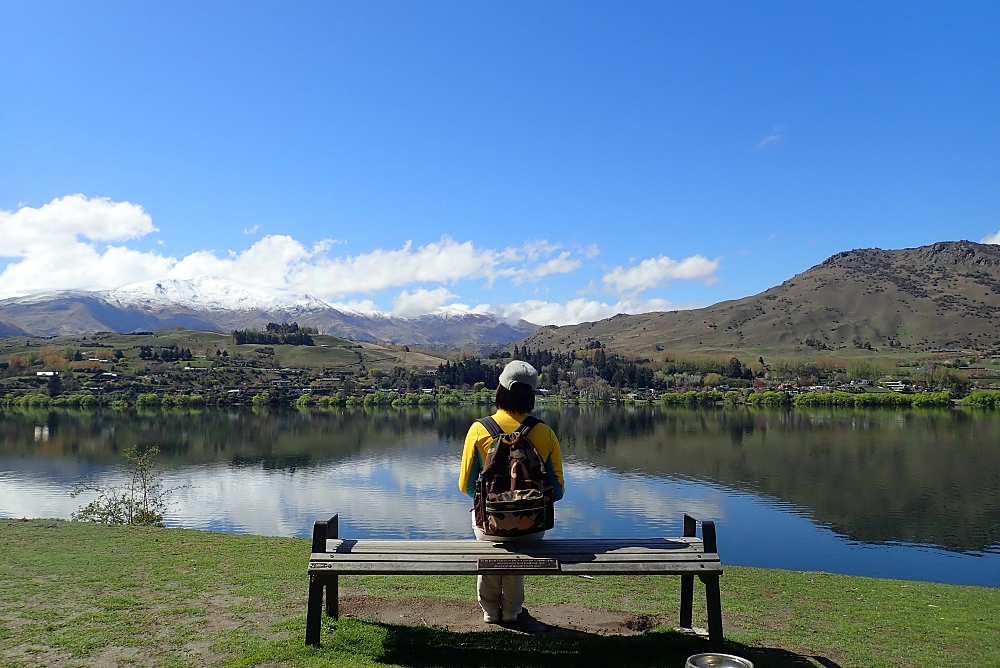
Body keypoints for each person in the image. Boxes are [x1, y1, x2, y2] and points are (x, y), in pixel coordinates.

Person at [458, 360, 565, 624]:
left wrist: (495, 501)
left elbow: (466, 487)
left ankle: (490, 611)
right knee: (518, 546)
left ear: (500, 390)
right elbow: (558, 491)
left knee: (492, 543)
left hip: (488, 525)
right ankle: (512, 611)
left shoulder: (479, 429)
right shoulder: (545, 433)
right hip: (533, 526)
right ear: (531, 395)